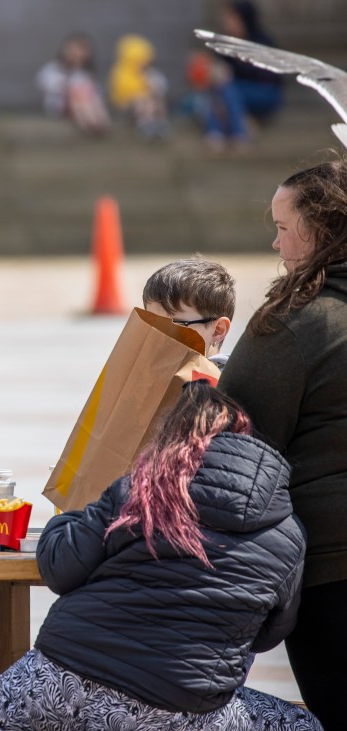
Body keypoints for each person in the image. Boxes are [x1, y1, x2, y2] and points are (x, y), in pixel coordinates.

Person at [0, 381, 320, 730]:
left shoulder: (141, 491)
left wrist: (73, 514)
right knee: (303, 724)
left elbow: (59, 566)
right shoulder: (289, 534)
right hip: (180, 711)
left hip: (63, 678)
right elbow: (268, 634)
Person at [218, 156, 347, 727]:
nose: (275, 244)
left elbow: (234, 443)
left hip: (331, 570)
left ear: (320, 231)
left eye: (282, 227)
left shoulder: (299, 322)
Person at [142, 256, 235, 366]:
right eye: (152, 325)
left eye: (175, 326)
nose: (159, 339)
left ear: (217, 330)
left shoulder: (223, 381)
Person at [35, 33, 111, 136]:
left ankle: (100, 123)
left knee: (88, 96)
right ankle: (89, 125)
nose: (76, 54)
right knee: (77, 95)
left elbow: (96, 93)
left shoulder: (86, 74)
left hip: (88, 103)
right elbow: (44, 83)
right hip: (61, 104)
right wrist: (68, 87)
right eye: (73, 50)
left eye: (81, 51)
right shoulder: (55, 69)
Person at [108, 34, 170, 139]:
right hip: (129, 105)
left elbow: (160, 88)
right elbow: (120, 93)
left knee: (155, 102)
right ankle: (146, 124)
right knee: (141, 101)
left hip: (148, 100)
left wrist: (151, 85)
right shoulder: (120, 72)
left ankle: (158, 123)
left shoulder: (149, 73)